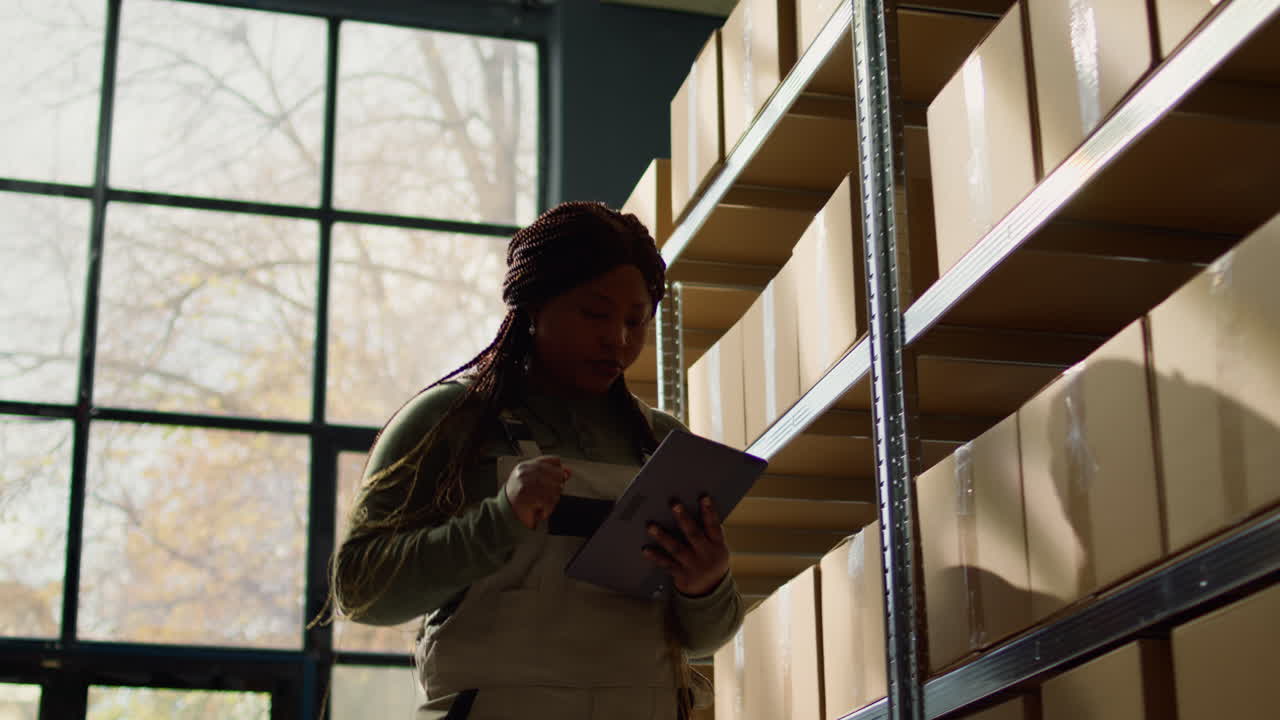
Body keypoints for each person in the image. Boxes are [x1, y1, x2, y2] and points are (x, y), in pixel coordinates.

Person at [330, 201, 745, 719]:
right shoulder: (448, 422)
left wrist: (706, 583)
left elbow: (707, 636)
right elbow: (359, 591)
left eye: (636, 321)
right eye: (594, 314)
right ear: (533, 308)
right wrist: (496, 523)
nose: (617, 339)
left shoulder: (663, 443)